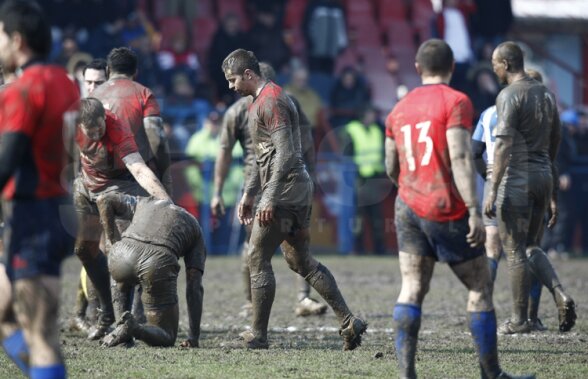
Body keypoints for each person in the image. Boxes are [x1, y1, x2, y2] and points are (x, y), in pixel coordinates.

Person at [385, 39, 532, 379]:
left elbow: (390, 165)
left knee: (411, 288)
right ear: (451, 68)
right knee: (480, 286)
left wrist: (408, 187)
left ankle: (406, 374)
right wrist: (472, 208)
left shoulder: (399, 108)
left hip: (406, 205)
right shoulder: (456, 101)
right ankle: (491, 373)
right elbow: (462, 156)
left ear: (418, 69)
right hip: (445, 207)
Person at [222, 49, 366, 349]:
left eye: (233, 79)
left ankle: (258, 335)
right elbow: (264, 157)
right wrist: (250, 192)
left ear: (248, 74)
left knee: (257, 256)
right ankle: (349, 321)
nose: (231, 86)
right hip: (295, 190)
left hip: (285, 191)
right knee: (301, 261)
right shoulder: (260, 102)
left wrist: (268, 197)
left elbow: (286, 153)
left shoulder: (272, 100)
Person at [0, 1, 80, 377]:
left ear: (16, 40)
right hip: (56, 209)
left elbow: (8, 159)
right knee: (4, 314)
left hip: (35, 215)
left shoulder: (24, 89)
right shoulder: (65, 81)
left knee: (41, 336)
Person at [213, 61, 326, 318]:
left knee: (297, 242)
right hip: (255, 185)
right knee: (255, 246)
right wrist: (219, 191)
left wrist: (309, 175)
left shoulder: (284, 102)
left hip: (287, 183)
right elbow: (224, 152)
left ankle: (301, 300)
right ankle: (251, 302)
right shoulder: (237, 112)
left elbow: (304, 142)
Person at [483, 41, 576, 334]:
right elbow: (556, 140)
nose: (493, 69)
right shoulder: (547, 95)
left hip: (517, 179)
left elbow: (503, 145)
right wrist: (551, 189)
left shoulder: (509, 95)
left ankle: (520, 319)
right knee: (533, 245)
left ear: (506, 64)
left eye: (495, 64)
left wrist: (492, 187)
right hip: (543, 175)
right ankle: (559, 292)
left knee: (514, 251)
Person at [73, 98, 170, 340]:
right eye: (90, 132)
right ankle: (106, 312)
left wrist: (165, 202)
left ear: (104, 120)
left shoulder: (117, 128)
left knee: (124, 254)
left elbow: (138, 168)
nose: (96, 135)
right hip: (85, 187)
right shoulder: (69, 124)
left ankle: (127, 318)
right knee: (83, 250)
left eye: (99, 129)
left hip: (119, 188)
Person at [472, 69, 551, 332]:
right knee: (531, 247)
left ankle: (483, 310)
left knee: (492, 248)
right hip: (530, 180)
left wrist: (488, 178)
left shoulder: (488, 113)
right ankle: (531, 316)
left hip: (497, 179)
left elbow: (474, 152)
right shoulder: (540, 114)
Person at [97, 193, 205, 348]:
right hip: (157, 262)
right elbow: (195, 286)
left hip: (122, 254)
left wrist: (111, 242)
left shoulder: (142, 202)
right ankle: (133, 328)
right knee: (167, 336)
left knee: (120, 278)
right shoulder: (195, 226)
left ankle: (122, 332)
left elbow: (103, 199)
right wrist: (193, 336)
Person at [92, 47, 172, 194]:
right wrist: (165, 177)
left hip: (97, 180)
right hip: (134, 180)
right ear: (136, 71)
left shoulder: (93, 96)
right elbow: (156, 139)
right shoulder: (144, 94)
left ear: (108, 70)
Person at [70, 58, 109, 334]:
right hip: (81, 192)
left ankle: (84, 312)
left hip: (109, 191)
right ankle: (90, 313)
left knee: (98, 251)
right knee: (91, 251)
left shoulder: (113, 113)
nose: (93, 87)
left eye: (99, 82)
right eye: (89, 82)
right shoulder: (72, 114)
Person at [341, 105, 387, 255]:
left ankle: (379, 248)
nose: (373, 117)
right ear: (363, 115)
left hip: (374, 177)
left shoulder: (377, 130)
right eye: (371, 114)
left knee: (376, 217)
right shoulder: (352, 129)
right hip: (358, 178)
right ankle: (358, 248)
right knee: (359, 216)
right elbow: (346, 152)